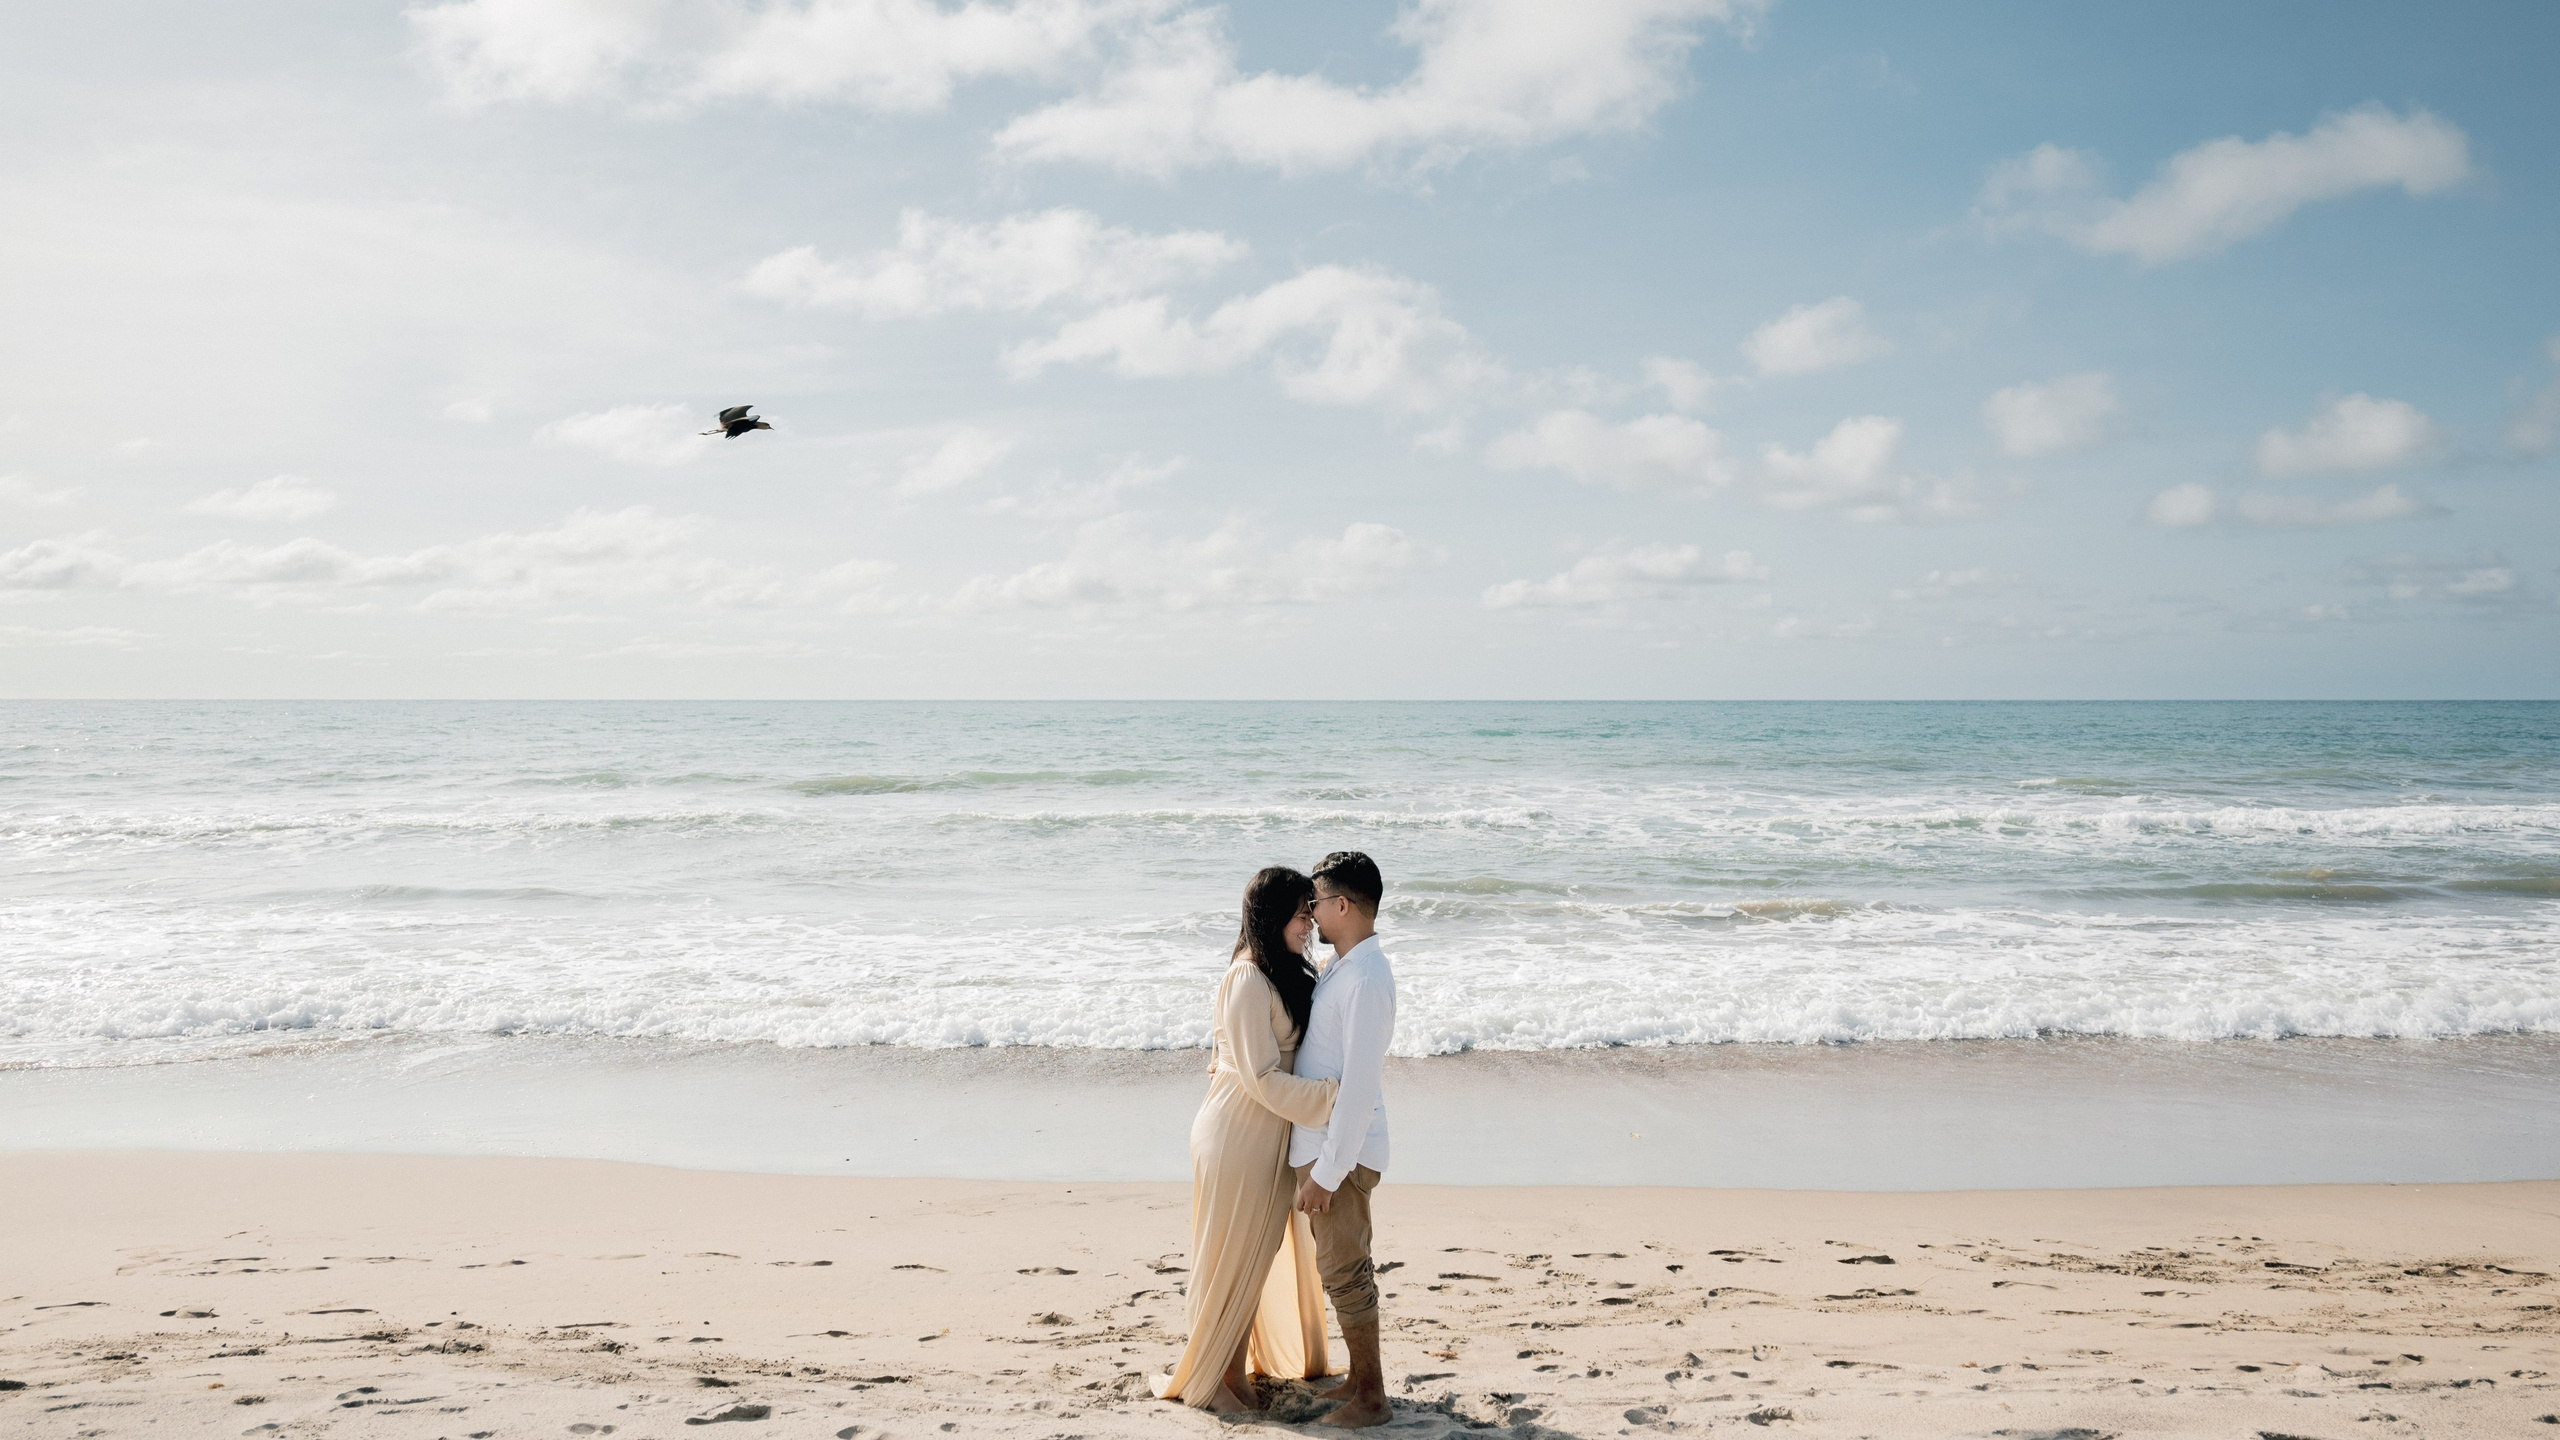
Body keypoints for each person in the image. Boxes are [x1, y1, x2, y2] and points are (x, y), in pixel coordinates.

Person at [1156, 867, 1340, 1412]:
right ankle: (1218, 1381)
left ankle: (1232, 1374)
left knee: (1255, 1257)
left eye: (1311, 911)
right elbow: (1259, 1078)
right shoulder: (1245, 978)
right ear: (1271, 914)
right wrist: (1334, 1096)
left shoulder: (1276, 971)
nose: (1309, 922)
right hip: (1238, 1132)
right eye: (1301, 913)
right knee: (1230, 1259)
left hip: (1267, 1133)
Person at [1291, 850, 1398, 1429]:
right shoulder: (1346, 968)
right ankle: (1358, 1380)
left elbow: (1358, 1088)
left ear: (1341, 905)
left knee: (1346, 1270)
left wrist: (1326, 1173)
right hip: (1331, 1150)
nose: (1310, 914)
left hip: (1344, 1157)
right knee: (1340, 1267)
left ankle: (1372, 1399)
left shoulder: (1366, 980)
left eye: (1315, 903)